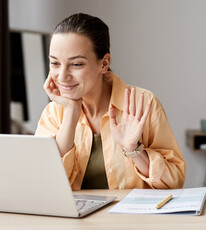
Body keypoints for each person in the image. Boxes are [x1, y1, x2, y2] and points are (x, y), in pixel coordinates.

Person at [35, 13, 186, 190]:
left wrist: (134, 150)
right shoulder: (53, 113)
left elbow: (174, 182)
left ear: (104, 64)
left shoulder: (144, 104)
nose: (62, 76)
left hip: (130, 217)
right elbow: (43, 185)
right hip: (75, 218)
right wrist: (71, 113)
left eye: (76, 64)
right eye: (55, 63)